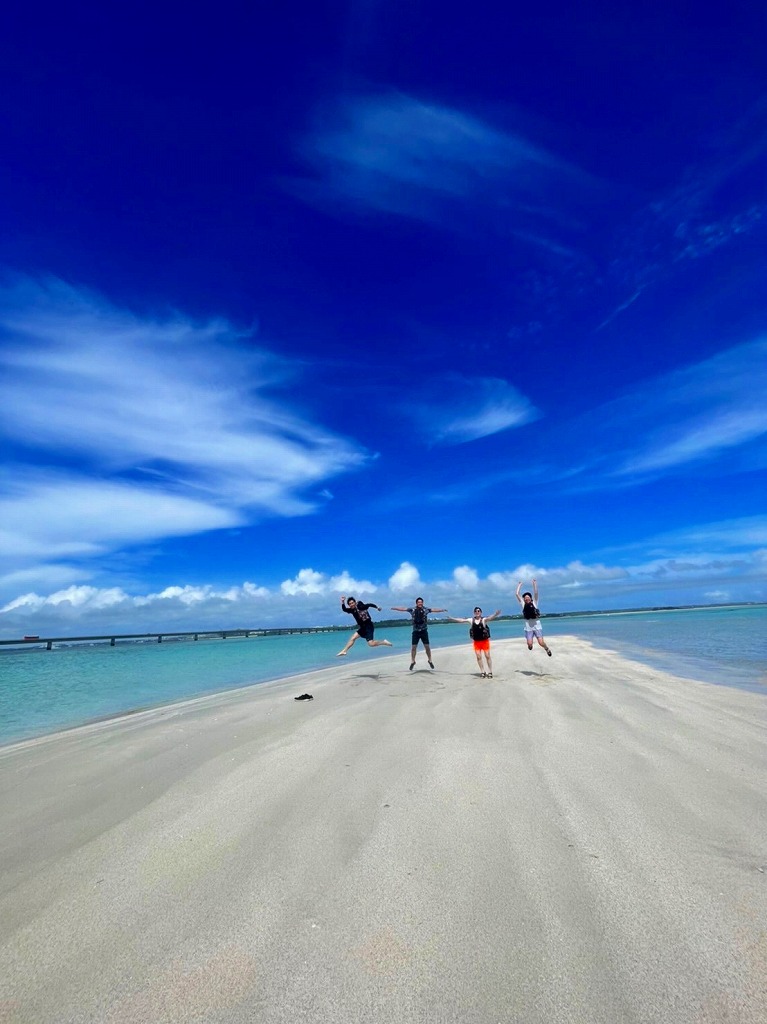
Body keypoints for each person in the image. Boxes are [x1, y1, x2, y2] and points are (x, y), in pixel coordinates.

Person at [390, 597, 448, 671]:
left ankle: (430, 660)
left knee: (427, 647)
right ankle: (413, 661)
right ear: (416, 603)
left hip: (424, 631)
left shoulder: (426, 609)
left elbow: (434, 610)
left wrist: (442, 610)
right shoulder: (412, 609)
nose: (420, 603)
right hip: (416, 631)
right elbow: (403, 609)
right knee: (413, 647)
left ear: (422, 603)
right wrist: (395, 608)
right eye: (418, 602)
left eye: (421, 602)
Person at [447, 606, 502, 677]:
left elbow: (489, 618)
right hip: (476, 642)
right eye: (476, 611)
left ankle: (490, 671)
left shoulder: (483, 620)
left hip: (485, 641)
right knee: (478, 657)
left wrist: (495, 614)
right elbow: (462, 620)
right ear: (474, 613)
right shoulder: (471, 620)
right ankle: (482, 671)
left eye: (478, 611)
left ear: (481, 612)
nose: (477, 612)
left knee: (487, 656)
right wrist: (452, 618)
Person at [515, 578, 552, 656]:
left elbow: (536, 592)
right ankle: (530, 645)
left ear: (530, 598)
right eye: (525, 598)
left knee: (541, 642)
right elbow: (517, 594)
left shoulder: (535, 602)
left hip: (537, 626)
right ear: (524, 599)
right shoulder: (523, 604)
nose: (526, 598)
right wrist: (519, 585)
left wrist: (534, 583)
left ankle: (546, 648)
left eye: (528, 597)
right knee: (529, 643)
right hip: (528, 628)